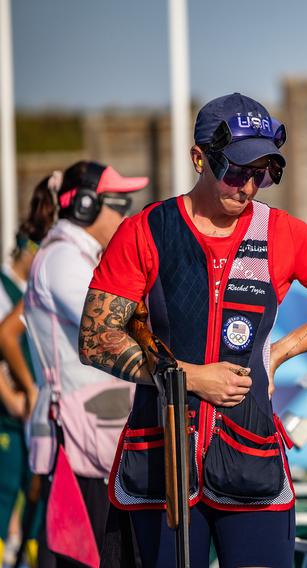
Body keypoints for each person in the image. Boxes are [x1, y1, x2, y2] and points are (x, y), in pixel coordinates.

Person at [79, 92, 307, 568]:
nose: (248, 186)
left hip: (251, 455)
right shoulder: (145, 230)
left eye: (261, 173)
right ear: (199, 157)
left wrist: (278, 353)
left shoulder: (283, 232)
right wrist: (188, 377)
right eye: (237, 170)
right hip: (162, 460)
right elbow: (95, 339)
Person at [24, 161, 148, 567]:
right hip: (79, 438)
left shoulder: (78, 255)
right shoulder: (62, 258)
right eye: (119, 203)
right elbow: (112, 326)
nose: (126, 214)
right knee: (86, 556)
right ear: (85, 205)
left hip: (94, 432)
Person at [0, 172, 57, 566]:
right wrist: (21, 395)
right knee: (9, 501)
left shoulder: (32, 287)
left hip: (34, 414)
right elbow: (6, 337)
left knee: (34, 503)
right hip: (11, 418)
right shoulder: (16, 290)